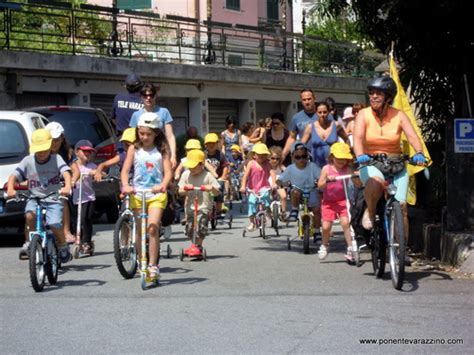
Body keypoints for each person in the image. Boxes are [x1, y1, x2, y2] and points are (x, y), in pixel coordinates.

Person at [353, 76, 427, 235]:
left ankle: (402, 249)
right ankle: (370, 212)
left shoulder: (399, 115)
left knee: (402, 207)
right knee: (376, 182)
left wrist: (419, 153)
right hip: (370, 162)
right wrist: (360, 156)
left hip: (396, 163)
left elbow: (413, 136)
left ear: (388, 97)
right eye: (371, 93)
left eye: (378, 93)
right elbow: (357, 139)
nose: (373, 96)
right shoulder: (363, 115)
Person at [6, 128, 72, 262]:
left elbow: (66, 173)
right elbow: (14, 176)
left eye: (44, 149)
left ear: (50, 146)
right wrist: (11, 189)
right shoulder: (28, 160)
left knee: (54, 223)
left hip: (53, 197)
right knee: (29, 216)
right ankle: (30, 241)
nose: (41, 152)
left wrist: (67, 186)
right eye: (39, 149)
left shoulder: (56, 158)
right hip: (34, 197)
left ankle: (63, 245)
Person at [121, 114, 172, 280]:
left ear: (156, 133)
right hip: (138, 194)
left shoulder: (162, 150)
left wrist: (163, 184)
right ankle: (140, 259)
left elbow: (168, 172)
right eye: (141, 133)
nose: (144, 137)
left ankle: (152, 265)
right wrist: (126, 185)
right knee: (140, 229)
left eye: (148, 134)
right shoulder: (133, 149)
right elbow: (125, 170)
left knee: (152, 227)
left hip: (156, 194)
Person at [178, 149, 221, 255]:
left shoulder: (208, 176)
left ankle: (198, 246)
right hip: (191, 207)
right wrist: (185, 188)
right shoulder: (186, 175)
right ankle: (194, 245)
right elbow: (180, 191)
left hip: (204, 207)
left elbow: (217, 192)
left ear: (202, 164)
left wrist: (211, 188)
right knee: (190, 229)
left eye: (194, 166)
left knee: (201, 226)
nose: (191, 168)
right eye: (189, 166)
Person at [317, 142, 355, 260]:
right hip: (329, 202)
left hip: (343, 201)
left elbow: (355, 182)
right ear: (332, 157)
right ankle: (324, 245)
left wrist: (356, 176)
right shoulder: (326, 169)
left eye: (344, 159)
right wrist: (327, 180)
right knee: (326, 226)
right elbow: (320, 186)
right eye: (339, 158)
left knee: (346, 223)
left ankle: (350, 247)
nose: (342, 161)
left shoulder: (347, 169)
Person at [129, 83, 177, 169]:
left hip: (161, 153)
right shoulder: (136, 115)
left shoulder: (164, 112)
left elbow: (170, 135)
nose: (148, 98)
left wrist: (173, 155)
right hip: (142, 155)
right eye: (145, 95)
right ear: (141, 97)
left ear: (155, 96)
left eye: (151, 95)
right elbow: (132, 138)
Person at [277, 142, 321, 236]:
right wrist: (278, 184)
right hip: (298, 193)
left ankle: (317, 231)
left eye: (304, 156)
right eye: (298, 157)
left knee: (317, 210)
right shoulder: (290, 168)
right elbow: (280, 179)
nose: (301, 159)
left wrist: (323, 181)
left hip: (311, 190)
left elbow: (321, 177)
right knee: (294, 191)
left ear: (307, 156)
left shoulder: (312, 166)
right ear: (293, 157)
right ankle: (294, 210)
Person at [45, 121, 78, 244]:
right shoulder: (42, 152)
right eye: (51, 140)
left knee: (62, 200)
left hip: (62, 185)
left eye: (57, 139)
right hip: (45, 185)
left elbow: (75, 171)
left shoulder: (67, 152)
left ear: (62, 138)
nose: (54, 143)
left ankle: (66, 231)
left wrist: (72, 180)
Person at [240, 143, 276, 232]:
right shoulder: (251, 164)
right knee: (251, 203)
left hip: (264, 187)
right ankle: (252, 222)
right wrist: (243, 186)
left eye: (264, 155)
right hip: (252, 188)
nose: (262, 157)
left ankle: (268, 210)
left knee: (266, 199)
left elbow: (272, 173)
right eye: (260, 155)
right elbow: (245, 176)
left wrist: (274, 183)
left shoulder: (267, 164)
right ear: (254, 155)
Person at [300, 102, 348, 169]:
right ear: (316, 113)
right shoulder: (310, 127)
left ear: (328, 112)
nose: (322, 115)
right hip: (316, 165)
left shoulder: (336, 125)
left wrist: (345, 154)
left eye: (325, 112)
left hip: (334, 166)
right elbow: (301, 145)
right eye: (320, 112)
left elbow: (347, 140)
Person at [71, 140, 97, 256]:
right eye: (84, 151)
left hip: (88, 198)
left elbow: (97, 172)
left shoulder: (92, 166)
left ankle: (86, 241)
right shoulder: (73, 166)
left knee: (86, 219)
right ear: (77, 152)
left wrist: (96, 174)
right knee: (76, 220)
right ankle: (78, 239)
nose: (87, 154)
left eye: (89, 152)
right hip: (76, 198)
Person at [282, 88, 318, 162]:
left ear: (314, 99)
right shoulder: (296, 117)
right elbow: (292, 138)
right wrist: (283, 155)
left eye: (309, 99)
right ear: (301, 101)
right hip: (305, 157)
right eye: (304, 100)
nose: (307, 102)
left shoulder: (323, 114)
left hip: (322, 156)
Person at [204, 133, 229, 216]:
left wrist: (223, 176)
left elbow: (225, 166)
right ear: (205, 145)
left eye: (213, 143)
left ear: (217, 144)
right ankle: (205, 208)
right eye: (209, 143)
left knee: (219, 189)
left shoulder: (220, 155)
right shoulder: (203, 155)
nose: (211, 145)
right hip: (205, 178)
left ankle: (218, 208)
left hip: (218, 178)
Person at [268, 146, 287, 218]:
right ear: (268, 157)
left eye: (277, 159)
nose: (275, 160)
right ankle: (267, 211)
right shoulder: (267, 166)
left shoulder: (280, 166)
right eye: (272, 158)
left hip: (279, 182)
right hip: (268, 182)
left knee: (284, 196)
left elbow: (287, 171)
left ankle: (283, 211)